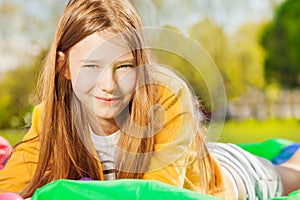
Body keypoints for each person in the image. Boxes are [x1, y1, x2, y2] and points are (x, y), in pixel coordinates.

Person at [0, 0, 299, 199]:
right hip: (193, 157)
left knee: (289, 173)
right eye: (91, 66)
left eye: (124, 66)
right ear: (63, 66)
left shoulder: (167, 102)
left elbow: (158, 192)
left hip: (230, 178)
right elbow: (12, 184)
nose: (109, 85)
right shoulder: (51, 118)